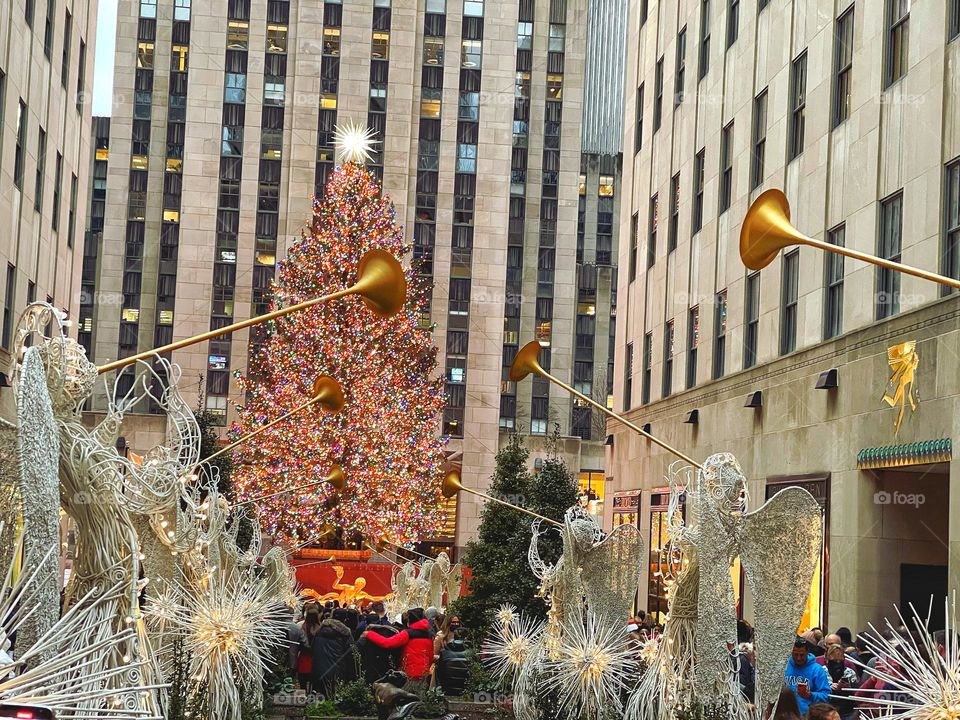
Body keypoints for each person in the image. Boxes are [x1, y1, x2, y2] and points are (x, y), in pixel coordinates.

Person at [362, 607, 436, 684]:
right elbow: (430, 656)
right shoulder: (429, 635)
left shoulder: (407, 633)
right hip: (424, 674)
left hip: (410, 674)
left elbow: (387, 643)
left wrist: (369, 634)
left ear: (410, 620)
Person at [313, 608, 356, 699]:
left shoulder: (319, 630)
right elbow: (350, 652)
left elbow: (313, 648)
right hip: (338, 669)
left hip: (319, 669)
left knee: (320, 697)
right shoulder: (346, 633)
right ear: (345, 619)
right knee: (336, 697)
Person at [784, 637, 831, 716]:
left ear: (807, 652)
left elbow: (827, 696)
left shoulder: (817, 670)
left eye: (802, 655)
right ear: (791, 652)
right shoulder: (783, 667)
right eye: (795, 654)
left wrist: (810, 695)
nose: (799, 658)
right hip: (786, 714)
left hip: (807, 715)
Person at [823, 643, 858, 720]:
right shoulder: (822, 671)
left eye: (840, 660)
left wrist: (848, 687)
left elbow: (857, 693)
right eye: (835, 660)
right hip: (827, 709)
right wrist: (829, 687)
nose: (838, 663)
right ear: (828, 659)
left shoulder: (850, 672)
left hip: (846, 709)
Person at [435, 630, 470, 696]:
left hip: (447, 690)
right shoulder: (471, 654)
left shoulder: (444, 653)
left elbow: (440, 673)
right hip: (465, 690)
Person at [298, 604, 322, 690]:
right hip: (316, 658)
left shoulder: (302, 626)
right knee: (314, 683)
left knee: (303, 682)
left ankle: (303, 697)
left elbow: (301, 642)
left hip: (304, 656)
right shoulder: (320, 628)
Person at [284, 607, 308, 677]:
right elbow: (305, 643)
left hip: (275, 661)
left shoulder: (275, 627)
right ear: (292, 615)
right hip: (292, 660)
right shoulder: (297, 628)